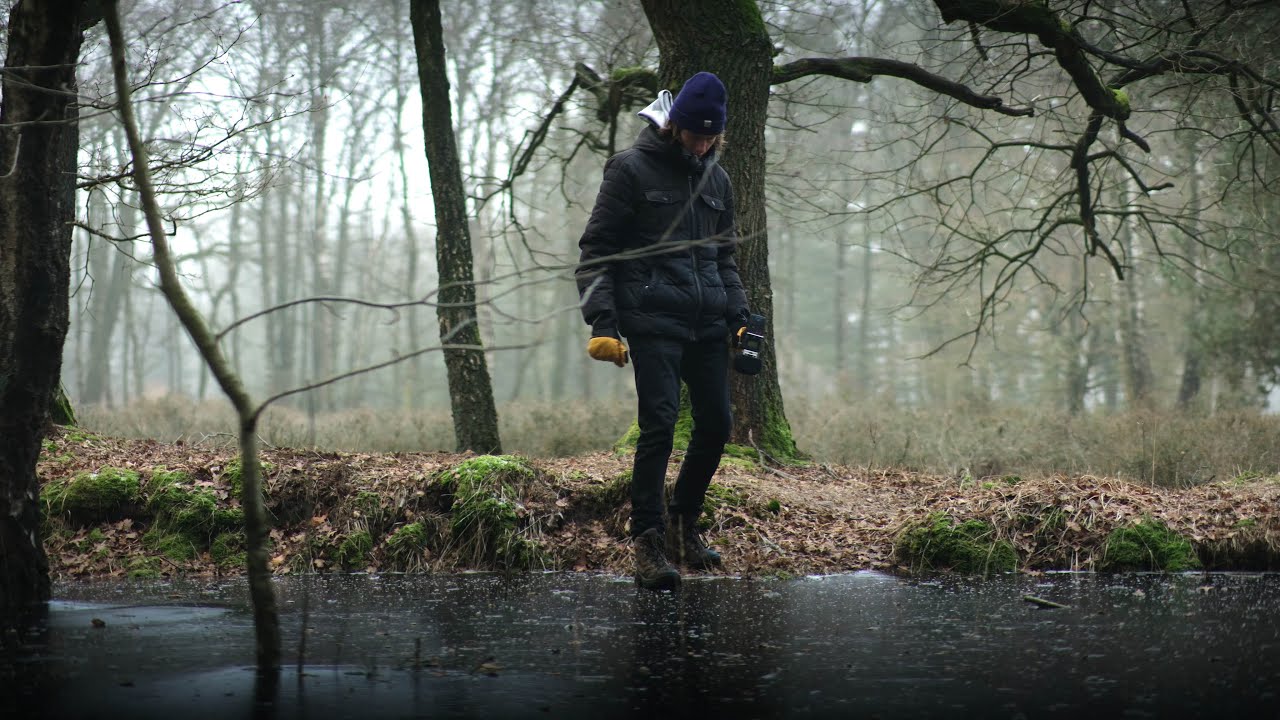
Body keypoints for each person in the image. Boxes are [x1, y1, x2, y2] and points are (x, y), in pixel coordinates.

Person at [575, 71, 750, 590]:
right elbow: (597, 250)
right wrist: (603, 322)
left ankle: (682, 524)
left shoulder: (718, 181)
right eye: (695, 134)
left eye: (711, 137)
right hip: (651, 319)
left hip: (707, 323)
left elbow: (725, 259)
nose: (702, 145)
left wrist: (741, 318)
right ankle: (647, 541)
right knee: (660, 424)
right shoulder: (629, 169)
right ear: (675, 126)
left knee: (716, 425)